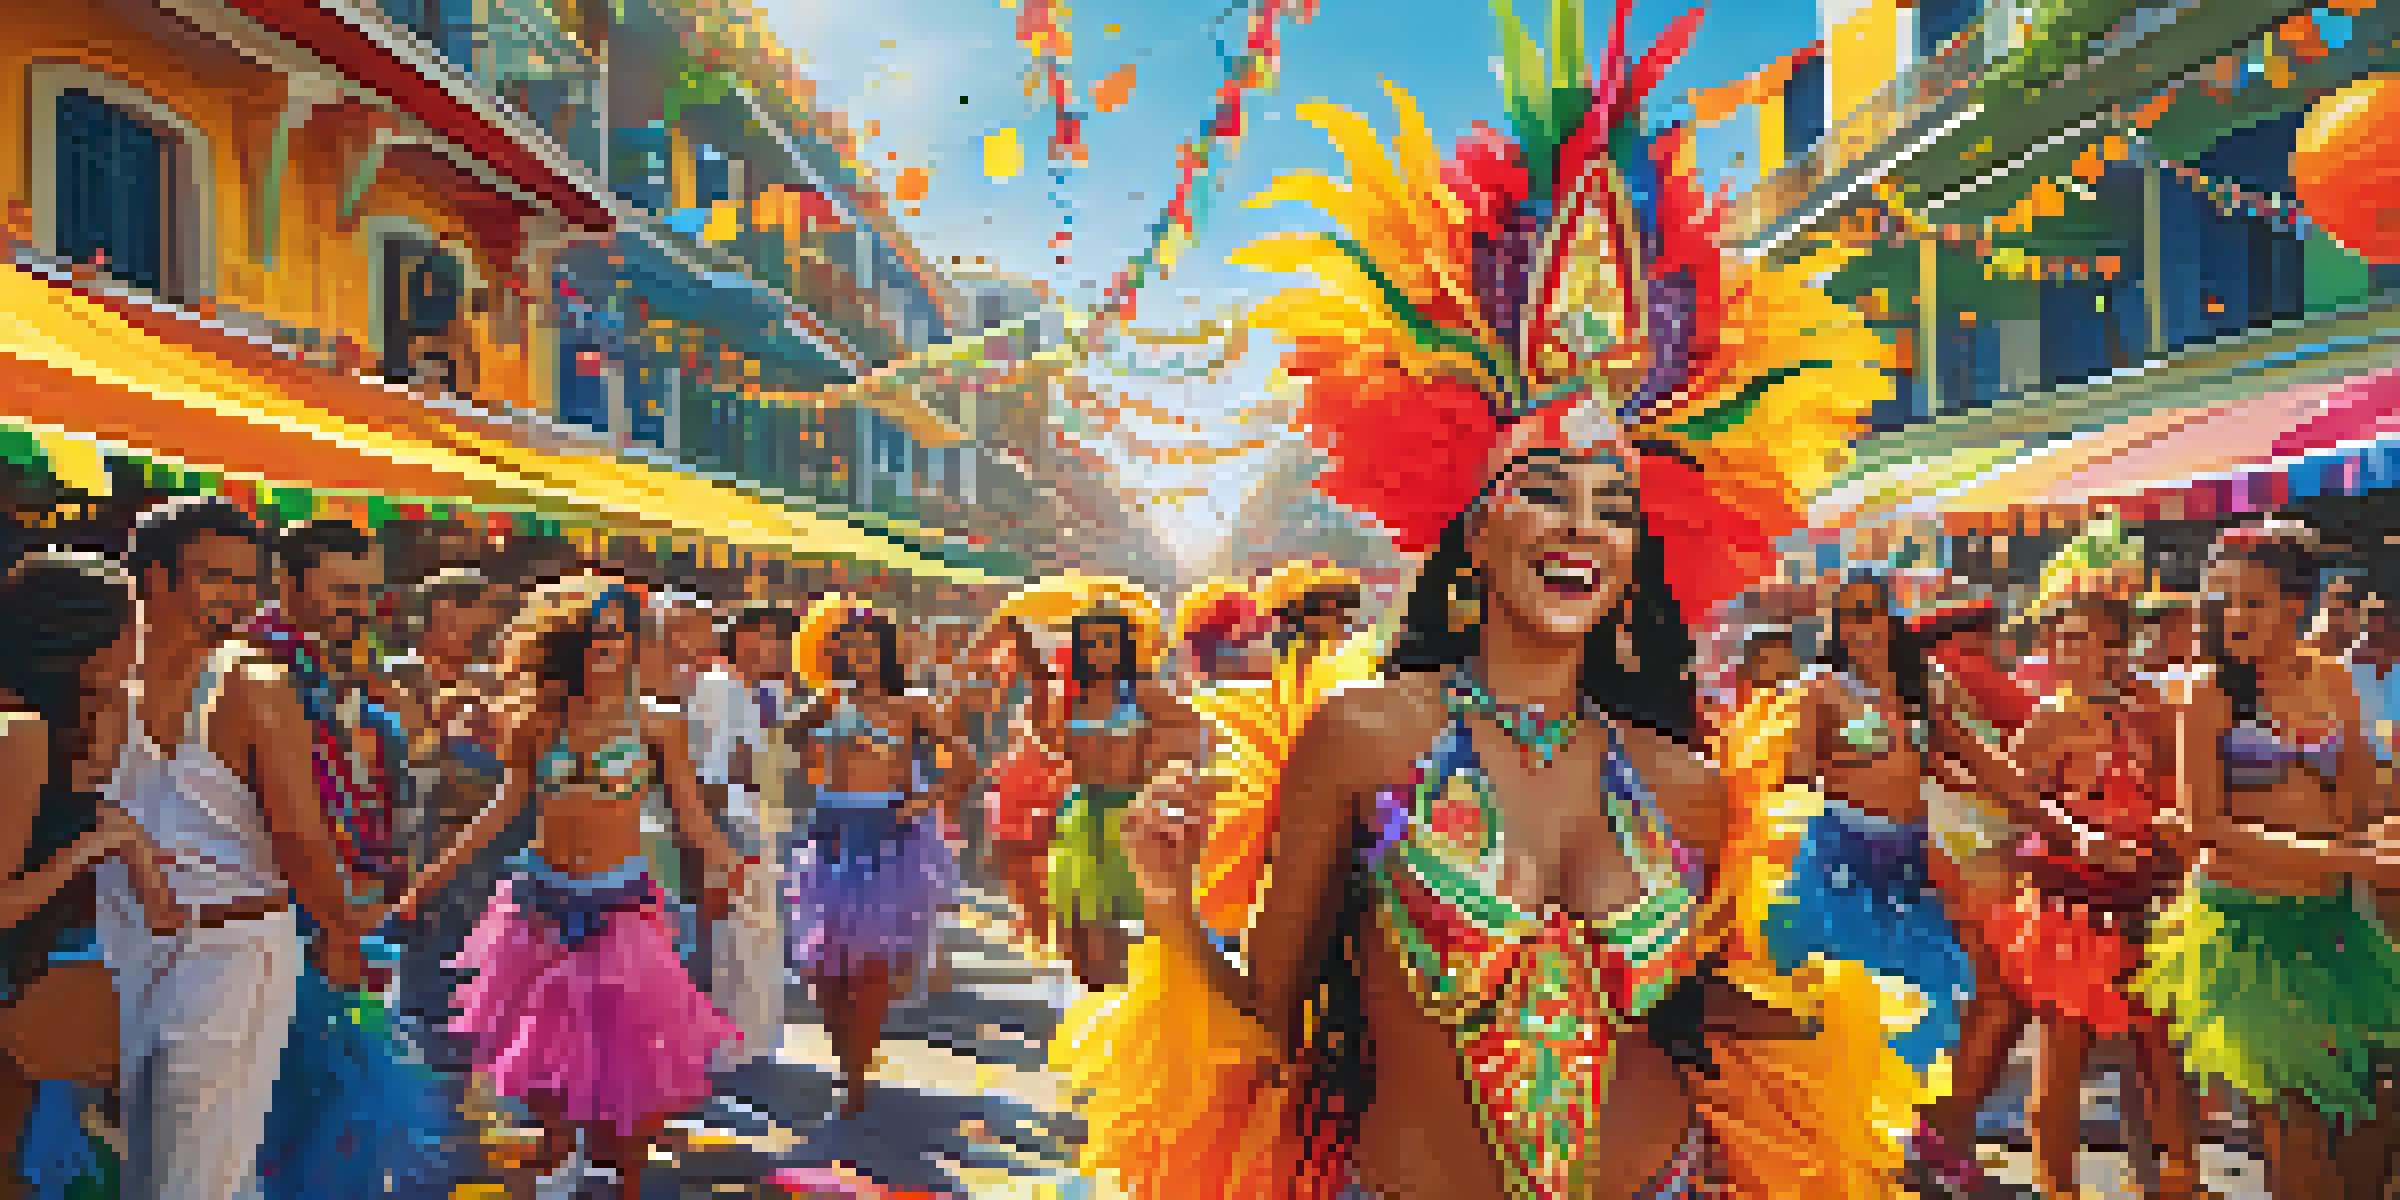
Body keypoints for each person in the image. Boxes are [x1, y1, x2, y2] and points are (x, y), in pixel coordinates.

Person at [1048, 0, 1923, 1190]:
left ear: (1637, 562)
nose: (1581, 529)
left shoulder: (1686, 782)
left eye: (1613, 510)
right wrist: (1165, 900)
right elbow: (1266, 1021)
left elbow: (1674, 1006)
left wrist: (1810, 1013)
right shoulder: (1363, 737)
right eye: (1544, 493)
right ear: (1473, 533)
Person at [391, 574, 743, 1199]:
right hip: (540, 904)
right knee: (545, 1061)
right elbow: (502, 809)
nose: (606, 645)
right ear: (571, 644)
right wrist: (431, 878)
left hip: (622, 908)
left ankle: (614, 1177)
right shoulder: (538, 721)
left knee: (623, 1061)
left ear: (635, 644)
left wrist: (730, 864)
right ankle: (558, 1170)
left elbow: (689, 814)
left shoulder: (659, 723)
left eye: (618, 635)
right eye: (595, 635)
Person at [99, 498, 362, 1200]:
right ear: (155, 577)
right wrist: (340, 930)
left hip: (181, 948)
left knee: (167, 1164)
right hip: (183, 950)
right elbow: (299, 833)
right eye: (217, 577)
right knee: (188, 1168)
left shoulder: (110, 676)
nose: (240, 598)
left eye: (250, 581)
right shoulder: (248, 685)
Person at [2134, 522, 2400, 1199]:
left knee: (2368, 1120)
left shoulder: (2332, 678)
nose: (2234, 617)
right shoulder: (2209, 692)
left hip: (2333, 930)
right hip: (2243, 935)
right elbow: (2205, 824)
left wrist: (2378, 841)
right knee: (2295, 1127)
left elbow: (2360, 804)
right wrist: (2345, 856)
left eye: (2251, 601)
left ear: (2296, 603)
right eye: (2223, 601)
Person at [1933, 523, 2198, 1199]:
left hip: (2147, 906)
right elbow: (2012, 796)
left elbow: (2175, 793)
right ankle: (2057, 1186)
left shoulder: (2152, 708)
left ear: (2122, 645)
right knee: (2063, 1055)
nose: (2078, 651)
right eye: (2067, 637)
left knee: (2163, 1058)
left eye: (2097, 639)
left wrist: (2166, 840)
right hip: (2069, 911)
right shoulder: (2051, 717)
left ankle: (2179, 1180)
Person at [244, 520, 461, 1199]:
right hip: (290, 923)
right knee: (289, 1120)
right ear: (289, 586)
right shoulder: (260, 670)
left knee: (331, 1119)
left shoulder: (342, 670)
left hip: (348, 915)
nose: (359, 607)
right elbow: (288, 821)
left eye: (368, 592)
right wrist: (336, 927)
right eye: (342, 591)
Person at [0, 556, 179, 1200]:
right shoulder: (20, 730)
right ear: (84, 641)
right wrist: (93, 846)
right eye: (132, 627)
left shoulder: (75, 723)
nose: (143, 641)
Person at [780, 596, 974, 1117]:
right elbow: (785, 739)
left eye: (870, 645)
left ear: (888, 651)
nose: (861, 654)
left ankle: (855, 1079)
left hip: (888, 839)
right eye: (851, 646)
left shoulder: (913, 706)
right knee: (822, 974)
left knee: (868, 973)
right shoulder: (827, 701)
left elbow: (964, 762)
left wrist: (922, 801)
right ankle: (848, 1057)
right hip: (830, 835)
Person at [687, 605, 800, 1064]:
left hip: (752, 822)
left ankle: (739, 1045)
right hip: (730, 827)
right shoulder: (720, 688)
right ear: (735, 640)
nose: (773, 647)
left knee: (750, 939)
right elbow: (713, 773)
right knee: (729, 940)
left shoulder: (758, 693)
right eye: (761, 636)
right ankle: (720, 1047)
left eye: (779, 638)